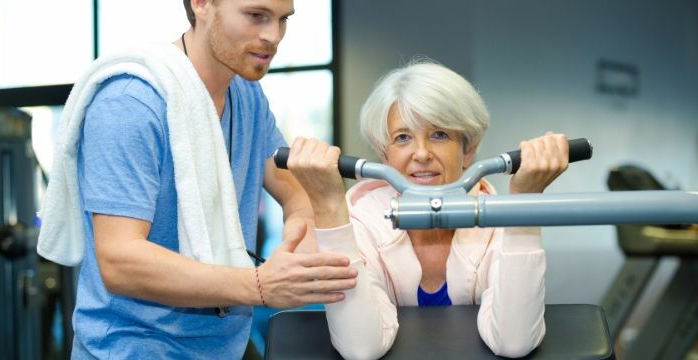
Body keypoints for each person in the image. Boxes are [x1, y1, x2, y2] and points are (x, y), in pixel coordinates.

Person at [41, 0, 358, 358]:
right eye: (256, 16)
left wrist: (300, 229)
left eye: (282, 20)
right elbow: (119, 260)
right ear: (202, 4)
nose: (273, 36)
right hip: (136, 347)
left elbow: (290, 185)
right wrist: (260, 285)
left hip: (223, 343)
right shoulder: (130, 103)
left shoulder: (246, 95)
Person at [287, 60, 569, 359]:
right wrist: (328, 206)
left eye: (439, 135)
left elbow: (514, 342)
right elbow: (361, 348)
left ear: (468, 149)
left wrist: (525, 201)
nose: (421, 154)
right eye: (403, 138)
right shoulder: (358, 220)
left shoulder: (498, 217)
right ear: (385, 154)